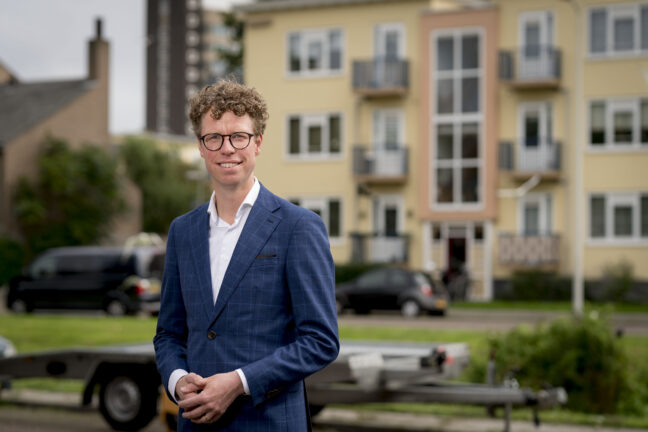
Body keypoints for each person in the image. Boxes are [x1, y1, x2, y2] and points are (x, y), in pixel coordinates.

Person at [153, 79, 340, 431]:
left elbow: (320, 341)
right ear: (200, 146)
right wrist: (177, 380)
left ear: (258, 143)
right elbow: (168, 333)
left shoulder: (298, 227)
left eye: (238, 136)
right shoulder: (182, 231)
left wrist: (239, 382)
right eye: (214, 138)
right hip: (195, 424)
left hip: (269, 422)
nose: (227, 148)